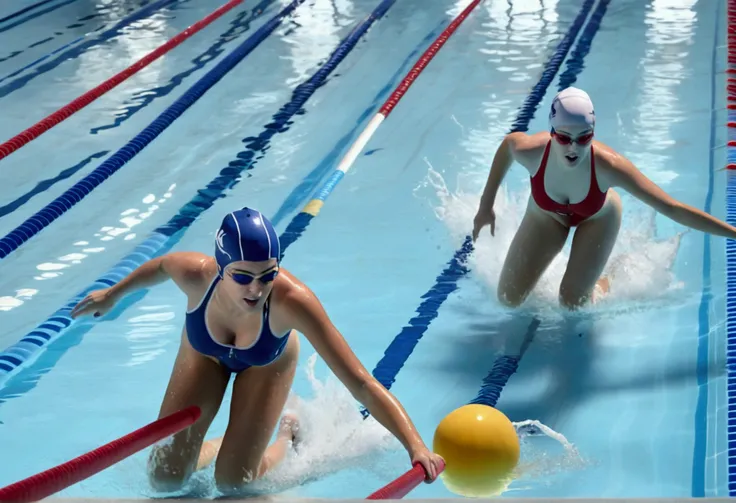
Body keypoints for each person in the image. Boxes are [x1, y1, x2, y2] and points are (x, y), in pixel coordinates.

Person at [71, 207, 443, 495]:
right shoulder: (196, 274)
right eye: (243, 276)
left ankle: (286, 435)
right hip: (204, 352)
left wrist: (416, 446)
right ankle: (225, 445)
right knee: (164, 479)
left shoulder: (292, 302)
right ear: (219, 267)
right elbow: (162, 265)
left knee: (235, 483)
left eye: (268, 274)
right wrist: (112, 295)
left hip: (267, 362)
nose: (256, 289)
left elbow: (361, 383)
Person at [472, 86, 736, 310]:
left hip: (597, 218)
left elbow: (672, 208)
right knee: (508, 300)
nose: (573, 148)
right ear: (552, 132)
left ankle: (605, 281)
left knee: (572, 303)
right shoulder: (531, 152)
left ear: (593, 133)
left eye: (583, 138)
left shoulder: (609, 166)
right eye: (564, 138)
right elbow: (507, 145)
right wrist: (486, 206)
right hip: (546, 215)